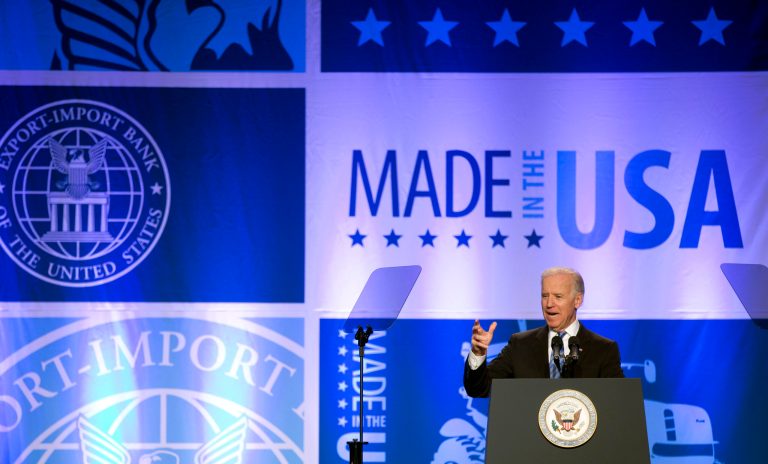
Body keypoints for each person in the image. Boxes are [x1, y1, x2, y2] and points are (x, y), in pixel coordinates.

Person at [463, 267, 624, 398]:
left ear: (578, 300)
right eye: (545, 296)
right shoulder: (520, 345)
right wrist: (478, 353)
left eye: (558, 296)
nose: (549, 304)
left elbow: (617, 402)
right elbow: (479, 389)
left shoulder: (603, 349)